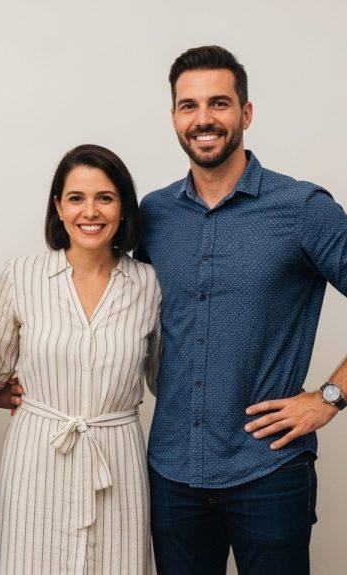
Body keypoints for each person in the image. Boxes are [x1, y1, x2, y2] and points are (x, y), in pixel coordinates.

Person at [136, 45, 347, 575]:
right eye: (189, 106)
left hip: (268, 470)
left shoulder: (303, 209)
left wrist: (330, 396)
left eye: (219, 104)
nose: (203, 119)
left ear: (246, 113)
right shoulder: (154, 215)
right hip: (172, 472)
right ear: (174, 117)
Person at [0, 144, 160, 575]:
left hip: (117, 459)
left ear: (123, 208)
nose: (91, 211)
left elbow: (163, 378)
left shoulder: (148, 283)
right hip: (36, 458)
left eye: (105, 197)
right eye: (76, 198)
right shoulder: (21, 275)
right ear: (58, 208)